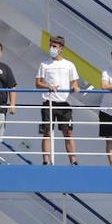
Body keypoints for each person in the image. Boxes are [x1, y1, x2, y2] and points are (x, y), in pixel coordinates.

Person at [35, 35, 81, 165]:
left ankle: (73, 160)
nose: (51, 48)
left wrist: (74, 87)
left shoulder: (69, 65)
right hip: (48, 102)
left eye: (54, 46)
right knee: (47, 131)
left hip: (64, 103)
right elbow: (38, 84)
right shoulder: (44, 64)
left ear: (61, 48)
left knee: (68, 132)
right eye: (50, 46)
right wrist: (48, 86)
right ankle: (46, 160)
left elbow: (75, 83)